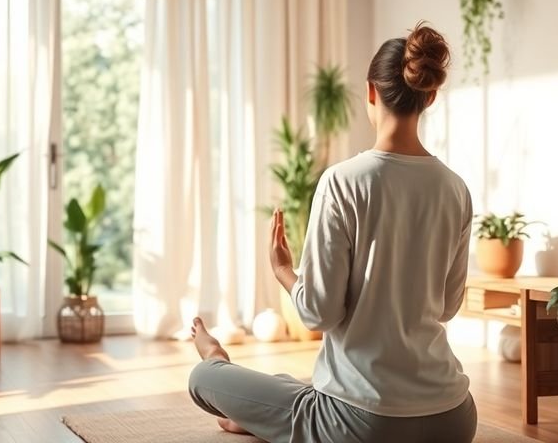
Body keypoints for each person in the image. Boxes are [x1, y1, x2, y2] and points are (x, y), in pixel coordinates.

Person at [188, 22, 477, 443]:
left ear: (370, 92)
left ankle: (220, 363)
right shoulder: (456, 188)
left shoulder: (342, 181)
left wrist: (284, 270)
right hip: (453, 421)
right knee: (294, 388)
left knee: (204, 378)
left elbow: (319, 314)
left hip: (365, 426)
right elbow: (448, 306)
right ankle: (267, 413)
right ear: (429, 96)